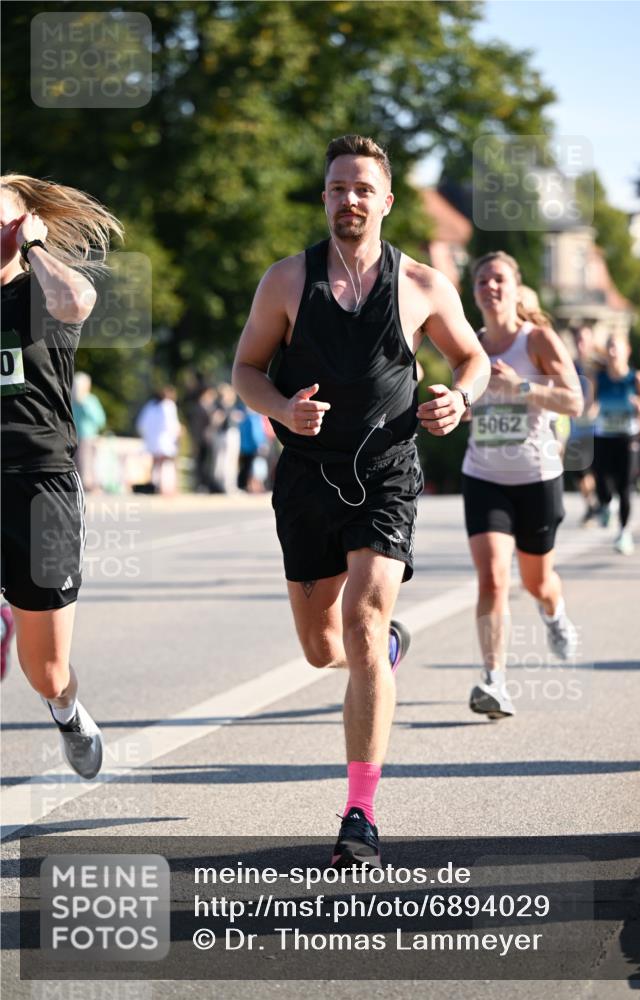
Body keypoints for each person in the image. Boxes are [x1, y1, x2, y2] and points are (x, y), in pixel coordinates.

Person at [232, 134, 489, 867]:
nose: (349, 199)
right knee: (322, 652)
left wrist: (458, 399)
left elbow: (469, 359)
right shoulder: (286, 280)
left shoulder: (420, 284)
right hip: (306, 477)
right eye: (337, 187)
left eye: (362, 188)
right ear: (324, 196)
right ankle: (381, 650)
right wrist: (280, 408)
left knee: (362, 620)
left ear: (385, 200)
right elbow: (246, 368)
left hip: (386, 471)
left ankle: (359, 813)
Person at [0, 174, 122, 778]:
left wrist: (36, 248)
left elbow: (78, 301)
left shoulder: (42, 295)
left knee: (44, 668)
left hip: (40, 484)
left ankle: (67, 710)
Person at [461, 251, 583, 721]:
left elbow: (574, 399)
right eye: (482, 281)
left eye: (498, 280)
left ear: (515, 287)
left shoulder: (537, 340)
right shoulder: (469, 345)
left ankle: (554, 615)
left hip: (536, 478)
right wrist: (458, 404)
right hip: (484, 476)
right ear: (474, 293)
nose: (490, 287)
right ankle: (494, 680)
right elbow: (465, 405)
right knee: (493, 577)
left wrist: (522, 387)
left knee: (538, 583)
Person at [592, 333, 640, 555]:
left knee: (625, 485)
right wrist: (590, 411)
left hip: (628, 438)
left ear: (627, 351)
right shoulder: (598, 378)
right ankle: (606, 504)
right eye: (609, 347)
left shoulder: (637, 378)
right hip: (602, 436)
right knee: (601, 481)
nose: (612, 352)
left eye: (616, 348)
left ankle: (624, 532)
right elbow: (588, 406)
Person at [565, 325, 599, 525]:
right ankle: (591, 505)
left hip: (598, 428)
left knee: (596, 470)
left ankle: (601, 503)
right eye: (578, 340)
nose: (581, 344)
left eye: (585, 340)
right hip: (576, 427)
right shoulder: (569, 366)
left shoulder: (600, 367)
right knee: (579, 471)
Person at [136, 386, 182, 496]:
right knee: (166, 464)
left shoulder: (150, 406)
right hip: (165, 441)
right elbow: (171, 425)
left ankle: (154, 484)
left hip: (153, 441)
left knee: (155, 464)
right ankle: (164, 487)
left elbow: (141, 425)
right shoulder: (168, 406)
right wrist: (177, 433)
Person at [72, 371, 106, 491]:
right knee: (80, 463)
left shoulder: (87, 400)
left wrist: (84, 405)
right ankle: (81, 485)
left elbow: (100, 420)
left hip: (83, 437)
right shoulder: (77, 400)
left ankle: (85, 485)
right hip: (79, 437)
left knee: (83, 463)